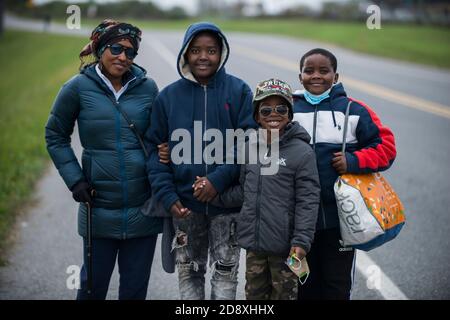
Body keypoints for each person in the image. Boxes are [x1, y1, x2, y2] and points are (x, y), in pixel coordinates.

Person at [45, 19, 162, 300]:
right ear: (100, 48)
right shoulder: (76, 88)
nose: (123, 57)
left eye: (130, 52)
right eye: (116, 49)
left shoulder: (148, 88)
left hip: (143, 210)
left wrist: (164, 151)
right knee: (91, 289)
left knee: (134, 292)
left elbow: (159, 136)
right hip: (98, 208)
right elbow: (55, 135)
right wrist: (75, 181)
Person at [145, 21, 255, 300]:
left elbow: (246, 143)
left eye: (211, 50)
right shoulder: (168, 97)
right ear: (185, 53)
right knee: (190, 271)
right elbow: (154, 153)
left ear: (222, 53)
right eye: (195, 50)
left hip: (227, 206)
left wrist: (216, 180)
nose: (203, 56)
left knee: (226, 271)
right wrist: (169, 197)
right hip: (185, 206)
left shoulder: (239, 91)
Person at [196, 78, 321, 300]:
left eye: (281, 108)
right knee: (253, 297)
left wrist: (301, 241)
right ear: (257, 117)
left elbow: (308, 201)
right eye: (266, 110)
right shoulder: (250, 147)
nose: (274, 114)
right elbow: (244, 191)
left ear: (290, 114)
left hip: (286, 249)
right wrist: (212, 195)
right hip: (255, 246)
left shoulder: (302, 152)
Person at [293, 48, 397, 300]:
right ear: (300, 77)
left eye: (324, 71)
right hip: (297, 221)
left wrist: (354, 160)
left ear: (336, 76)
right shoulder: (287, 109)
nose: (316, 76)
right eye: (309, 71)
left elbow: (387, 148)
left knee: (336, 286)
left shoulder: (354, 110)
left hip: (340, 221)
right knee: (303, 286)